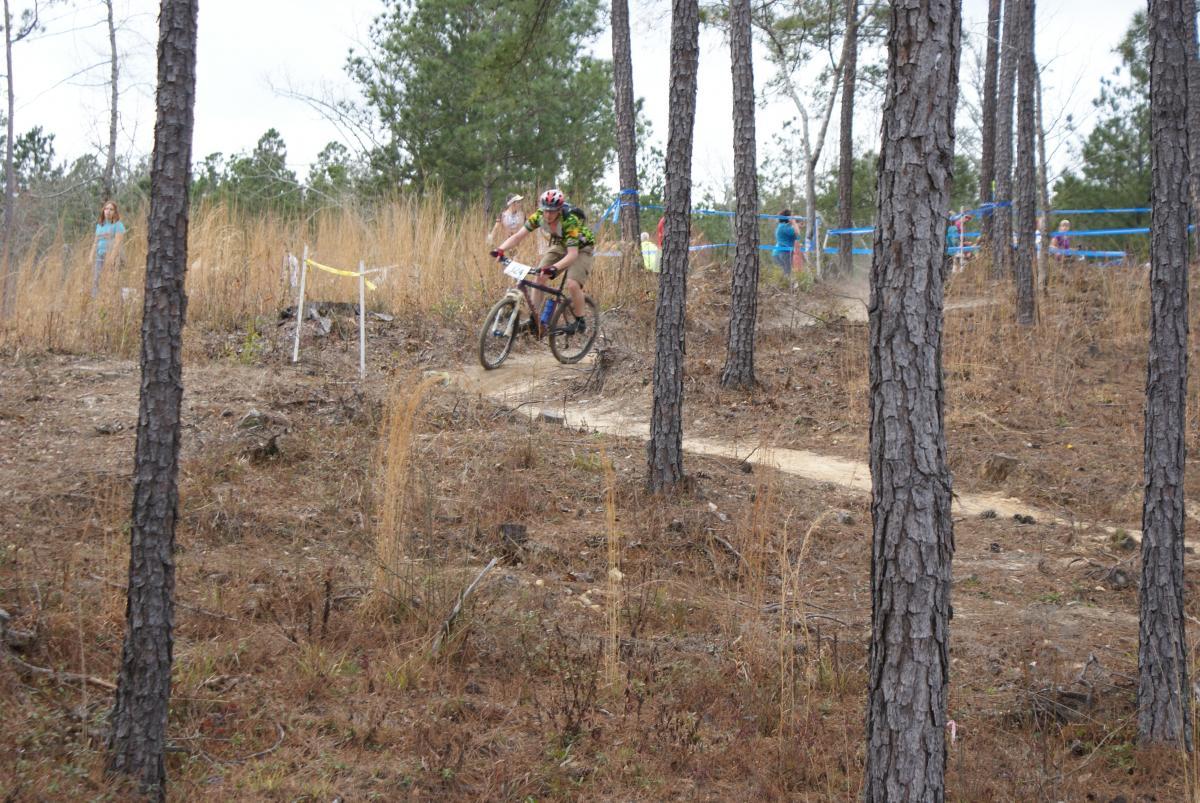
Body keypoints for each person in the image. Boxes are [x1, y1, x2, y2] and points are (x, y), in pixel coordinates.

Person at [492, 188, 594, 335]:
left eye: (552, 211)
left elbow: (572, 255)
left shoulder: (570, 221)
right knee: (539, 276)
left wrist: (554, 268)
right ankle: (535, 321)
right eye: (545, 210)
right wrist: (500, 249)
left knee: (572, 284)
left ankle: (580, 322)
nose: (547, 214)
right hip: (561, 243)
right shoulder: (538, 216)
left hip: (582, 247)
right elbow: (518, 237)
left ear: (559, 210)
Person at [88, 199, 126, 296]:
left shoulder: (118, 225)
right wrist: (91, 256)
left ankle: (114, 302)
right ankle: (95, 302)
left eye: (111, 209)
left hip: (113, 257)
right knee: (96, 279)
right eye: (106, 209)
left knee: (112, 282)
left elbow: (117, 243)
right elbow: (95, 242)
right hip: (99, 256)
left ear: (115, 212)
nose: (108, 211)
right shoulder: (100, 225)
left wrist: (111, 258)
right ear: (103, 210)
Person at [772, 209, 803, 278]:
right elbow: (797, 233)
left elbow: (796, 238)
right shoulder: (783, 226)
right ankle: (785, 287)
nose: (793, 217)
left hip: (782, 252)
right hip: (782, 253)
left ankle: (785, 285)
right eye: (791, 216)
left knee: (786, 272)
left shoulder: (785, 226)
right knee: (787, 273)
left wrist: (795, 225)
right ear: (787, 217)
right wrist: (794, 223)